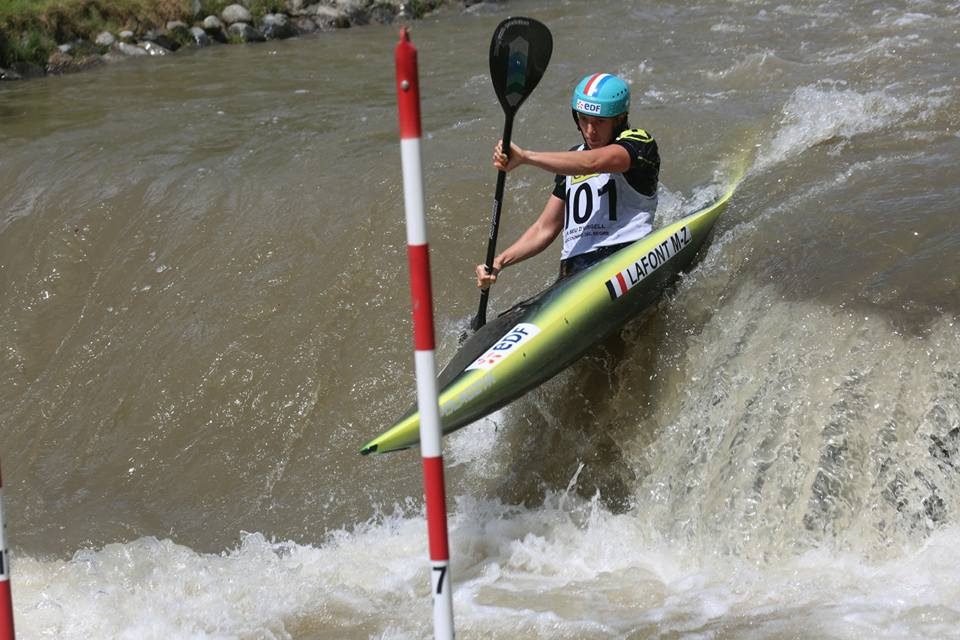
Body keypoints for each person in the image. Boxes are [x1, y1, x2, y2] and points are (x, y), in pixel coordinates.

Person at [475, 72, 660, 289]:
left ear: (619, 119)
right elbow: (544, 228)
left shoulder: (639, 143)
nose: (590, 131)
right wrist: (499, 262)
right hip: (573, 275)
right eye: (583, 120)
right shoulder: (572, 158)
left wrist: (526, 157)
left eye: (600, 121)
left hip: (626, 257)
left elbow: (592, 163)